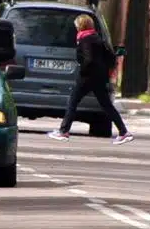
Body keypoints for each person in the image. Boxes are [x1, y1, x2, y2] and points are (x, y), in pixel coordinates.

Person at [47, 14, 134, 145]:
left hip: (87, 77)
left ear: (81, 26)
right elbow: (110, 57)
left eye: (77, 26)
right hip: (99, 77)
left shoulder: (85, 39)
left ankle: (63, 131)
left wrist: (83, 70)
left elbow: (88, 59)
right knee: (106, 105)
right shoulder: (97, 38)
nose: (76, 28)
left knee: (73, 101)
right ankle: (123, 132)